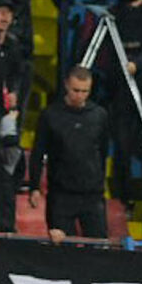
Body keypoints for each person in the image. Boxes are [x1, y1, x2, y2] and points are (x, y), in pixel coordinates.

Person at [34, 65, 113, 242]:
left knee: (99, 249)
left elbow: (103, 151)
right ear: (66, 85)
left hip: (92, 194)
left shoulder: (99, 115)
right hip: (61, 194)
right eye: (76, 90)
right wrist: (34, 186)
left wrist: (100, 183)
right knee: (62, 251)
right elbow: (38, 153)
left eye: (85, 91)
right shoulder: (50, 115)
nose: (80, 95)